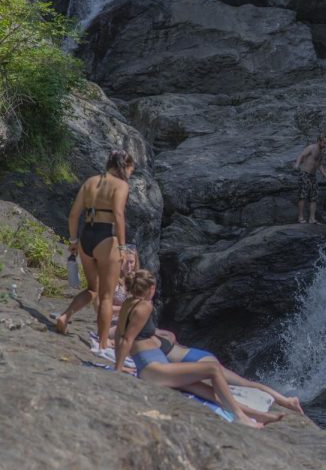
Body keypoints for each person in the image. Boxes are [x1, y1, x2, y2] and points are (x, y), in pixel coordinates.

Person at [114, 270, 267, 428]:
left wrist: (119, 365)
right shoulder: (144, 307)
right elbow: (127, 338)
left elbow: (120, 333)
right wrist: (118, 370)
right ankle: (240, 416)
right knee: (213, 369)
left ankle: (258, 415)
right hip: (154, 370)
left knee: (206, 390)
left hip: (158, 368)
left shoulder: (129, 302)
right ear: (152, 288)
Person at [59, 150, 133, 350]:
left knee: (93, 289)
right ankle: (102, 343)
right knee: (107, 296)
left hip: (86, 236)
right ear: (124, 167)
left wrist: (74, 240)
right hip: (106, 237)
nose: (130, 174)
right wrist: (123, 248)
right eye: (131, 170)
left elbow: (74, 214)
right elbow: (118, 215)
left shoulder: (90, 181)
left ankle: (65, 316)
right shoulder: (121, 185)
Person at [165, 343, 304, 414]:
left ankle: (246, 414)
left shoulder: (148, 340)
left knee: (215, 392)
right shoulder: (160, 334)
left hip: (191, 363)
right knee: (246, 383)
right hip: (197, 354)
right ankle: (287, 401)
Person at [294, 134, 326, 224]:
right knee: (302, 195)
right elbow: (301, 155)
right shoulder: (311, 148)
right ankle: (300, 217)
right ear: (319, 140)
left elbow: (320, 165)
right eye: (324, 143)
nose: (325, 145)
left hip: (312, 176)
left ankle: (312, 219)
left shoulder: (322, 152)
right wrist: (297, 164)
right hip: (304, 173)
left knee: (314, 197)